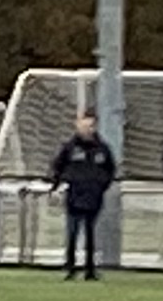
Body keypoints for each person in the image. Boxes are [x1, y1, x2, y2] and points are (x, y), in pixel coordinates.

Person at [48, 109, 116, 279]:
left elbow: (110, 170)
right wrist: (56, 187)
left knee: (91, 234)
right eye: (83, 125)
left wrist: (101, 186)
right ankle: (70, 267)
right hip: (74, 196)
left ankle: (90, 270)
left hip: (94, 197)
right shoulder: (70, 148)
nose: (87, 129)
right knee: (72, 232)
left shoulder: (102, 149)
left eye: (90, 126)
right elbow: (58, 167)